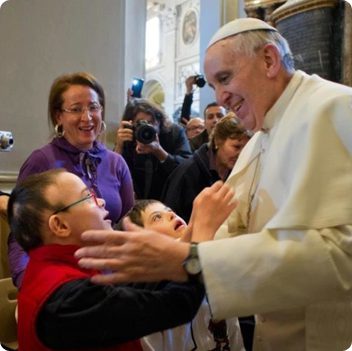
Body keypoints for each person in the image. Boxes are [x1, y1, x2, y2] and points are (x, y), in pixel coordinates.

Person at [75, 17, 352, 351]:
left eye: (225, 78)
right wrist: (172, 254)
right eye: (213, 85)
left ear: (269, 60)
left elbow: (342, 253)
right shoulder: (263, 133)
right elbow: (234, 224)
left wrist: (190, 260)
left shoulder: (333, 108)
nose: (220, 97)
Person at [7, 169, 207, 351]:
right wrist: (203, 234)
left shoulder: (50, 270)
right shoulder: (68, 300)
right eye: (88, 197)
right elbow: (179, 305)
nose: (101, 201)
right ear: (60, 225)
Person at [7, 72, 134, 288]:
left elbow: (129, 224)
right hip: (61, 282)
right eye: (76, 109)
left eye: (93, 107)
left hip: (113, 278)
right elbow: (22, 235)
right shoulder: (41, 161)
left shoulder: (116, 163)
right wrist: (29, 281)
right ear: (59, 116)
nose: (87, 117)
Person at [120, 199, 245, 351]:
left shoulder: (212, 268)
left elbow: (235, 339)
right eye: (157, 217)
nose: (171, 215)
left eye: (170, 210)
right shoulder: (150, 305)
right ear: (143, 242)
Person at [163, 114, 250, 223]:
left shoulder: (238, 170)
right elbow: (171, 218)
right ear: (218, 141)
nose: (241, 153)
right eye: (236, 147)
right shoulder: (187, 172)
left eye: (246, 148)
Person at [114, 98, 192, 200]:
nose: (146, 128)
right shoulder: (128, 138)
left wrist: (159, 151)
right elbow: (113, 175)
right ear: (131, 125)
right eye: (140, 123)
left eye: (150, 122)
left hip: (171, 201)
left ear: (159, 120)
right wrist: (119, 146)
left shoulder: (174, 133)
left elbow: (188, 169)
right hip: (137, 204)